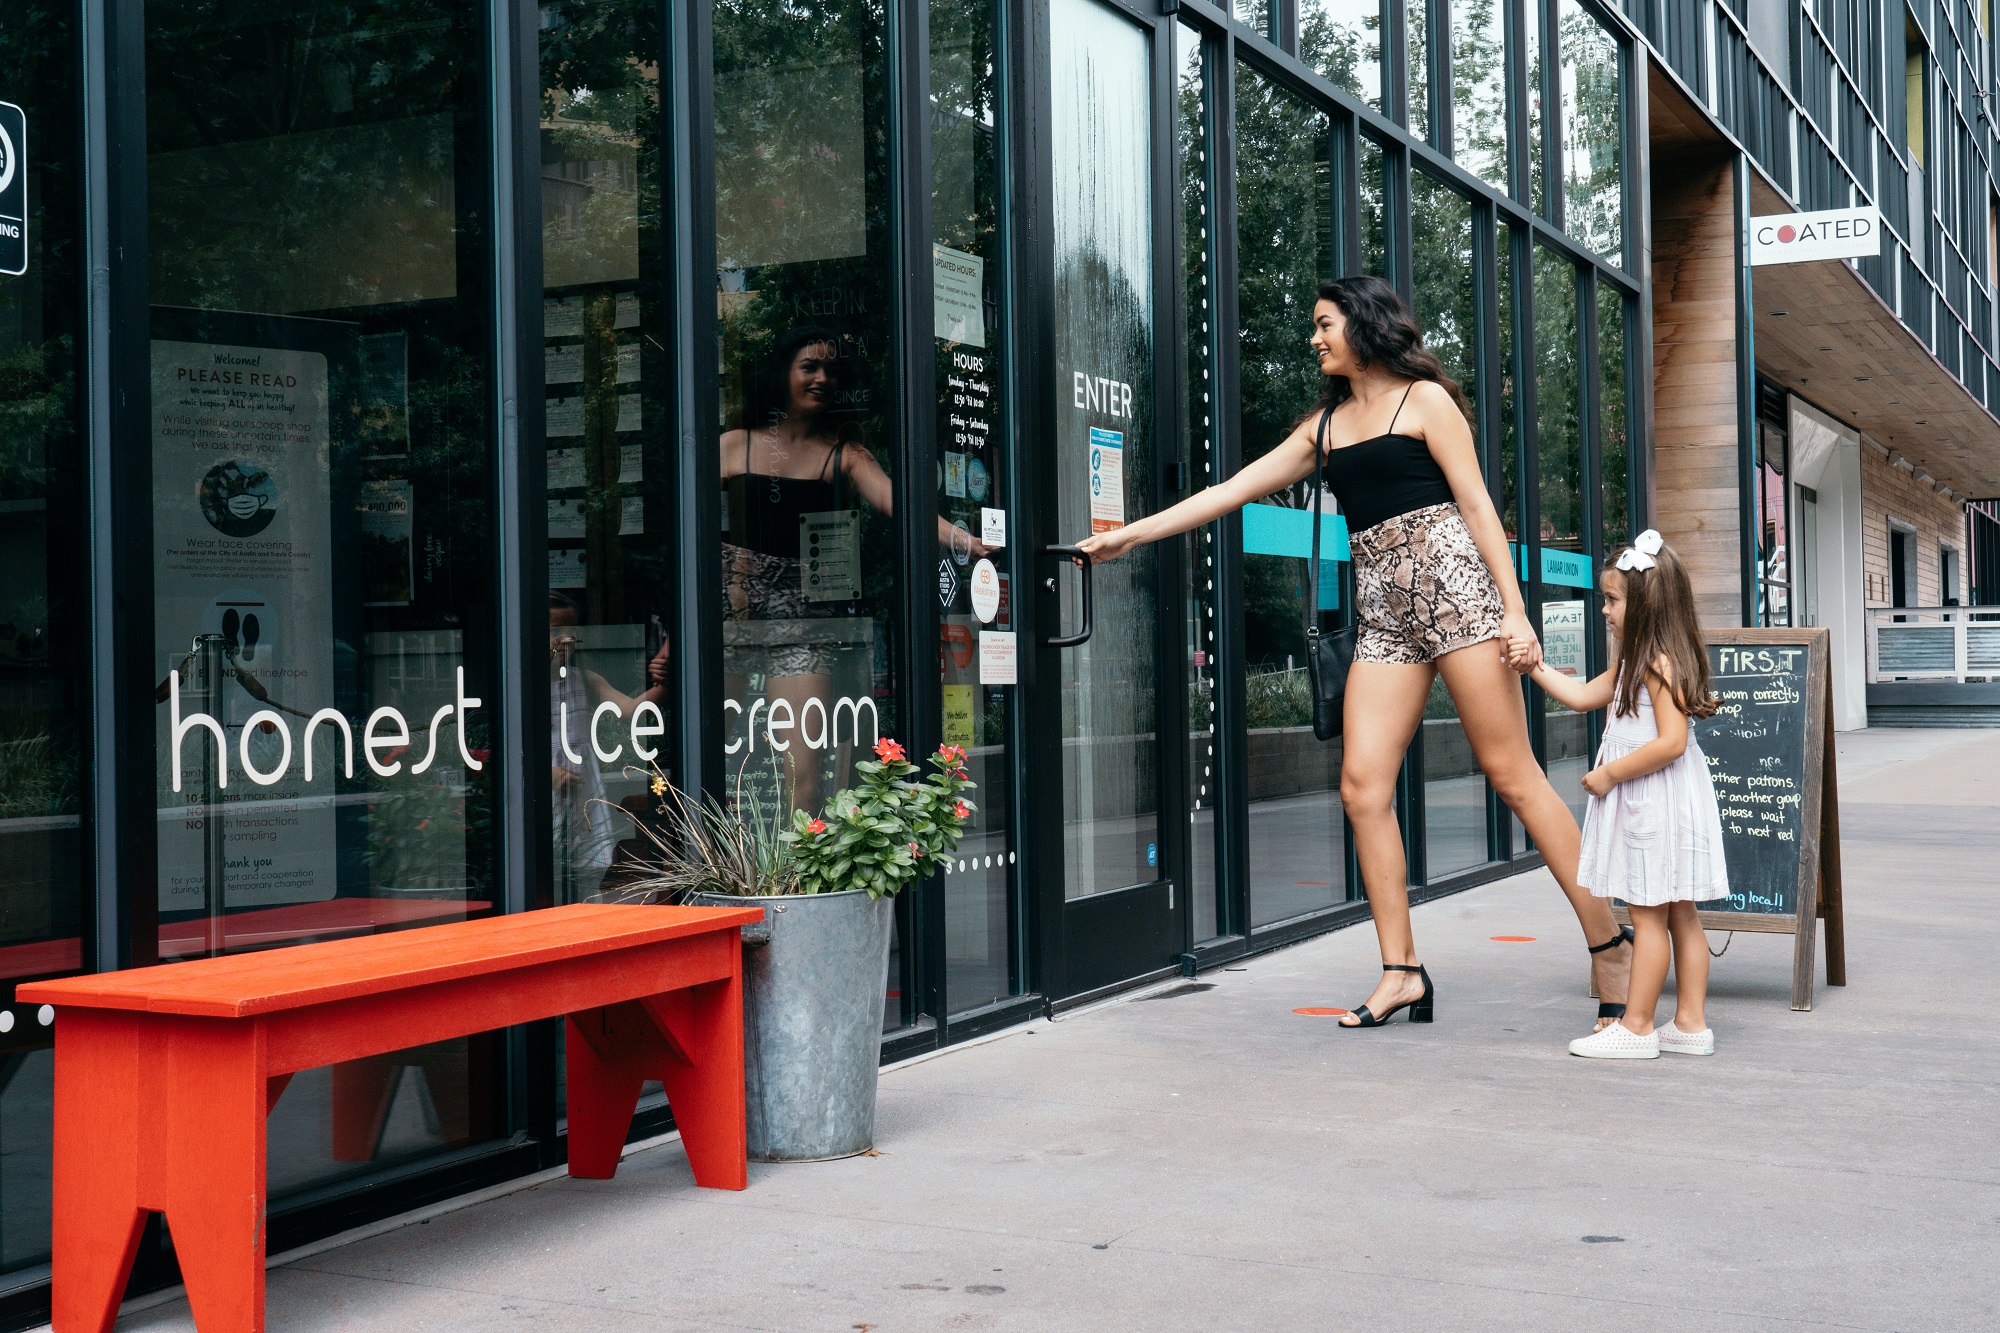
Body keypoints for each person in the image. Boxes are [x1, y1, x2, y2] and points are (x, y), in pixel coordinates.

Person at [1076, 275, 1634, 1031]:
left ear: (1364, 325)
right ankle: (1402, 969)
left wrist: (1514, 609)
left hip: (1459, 598)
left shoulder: (1424, 402)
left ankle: (1609, 942)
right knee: (1362, 787)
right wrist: (1128, 535)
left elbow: (1476, 506)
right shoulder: (1326, 427)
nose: (1314, 338)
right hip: (1385, 618)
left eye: (1324, 323)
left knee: (1514, 775)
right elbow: (1235, 488)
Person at [720, 325, 981, 810]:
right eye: (809, 367)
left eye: (831, 371)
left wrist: (965, 540)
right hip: (728, 611)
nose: (822, 378)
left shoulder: (845, 455)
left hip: (802, 617)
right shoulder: (735, 444)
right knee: (706, 752)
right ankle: (705, 872)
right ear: (782, 373)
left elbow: (899, 506)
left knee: (801, 770)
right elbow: (681, 528)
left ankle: (796, 879)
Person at [1527, 531, 1729, 1059]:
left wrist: (1611, 774)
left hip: (1652, 801)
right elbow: (1581, 696)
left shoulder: (1657, 665)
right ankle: (1690, 1024)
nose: (1605, 611)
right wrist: (1536, 668)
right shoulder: (1636, 663)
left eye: (1613, 601)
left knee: (1647, 915)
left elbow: (1672, 742)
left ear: (1644, 605)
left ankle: (1638, 1027)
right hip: (1664, 800)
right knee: (1680, 911)